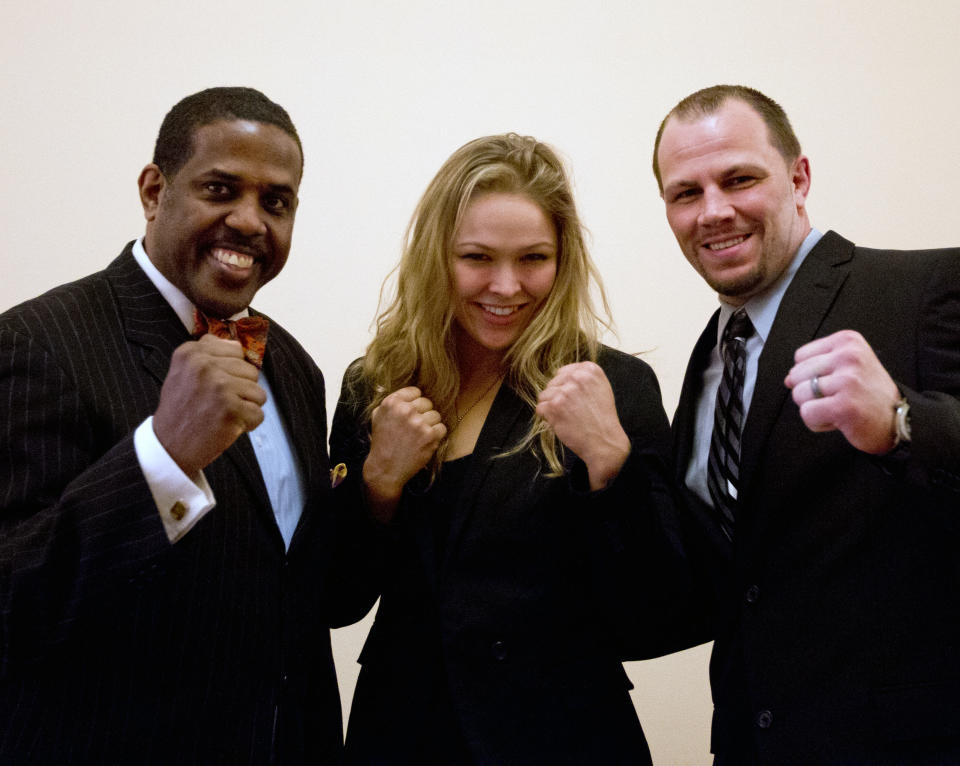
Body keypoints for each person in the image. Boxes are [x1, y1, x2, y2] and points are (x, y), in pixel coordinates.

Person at [0, 87, 378, 765]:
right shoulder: (36, 342)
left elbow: (298, 592)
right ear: (154, 191)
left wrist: (377, 493)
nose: (250, 221)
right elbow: (13, 607)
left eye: (277, 202)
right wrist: (164, 458)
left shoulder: (292, 366)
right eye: (220, 188)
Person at [330, 133, 685, 765]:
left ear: (563, 258)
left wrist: (611, 466)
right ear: (436, 256)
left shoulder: (613, 384)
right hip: (404, 732)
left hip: (563, 736)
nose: (506, 285)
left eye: (533, 258)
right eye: (476, 257)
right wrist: (377, 484)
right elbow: (335, 598)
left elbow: (658, 613)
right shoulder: (376, 383)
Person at [654, 84, 960, 764]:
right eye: (685, 193)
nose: (714, 211)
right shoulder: (709, 357)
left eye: (739, 179)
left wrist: (902, 423)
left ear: (798, 177)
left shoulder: (925, 288)